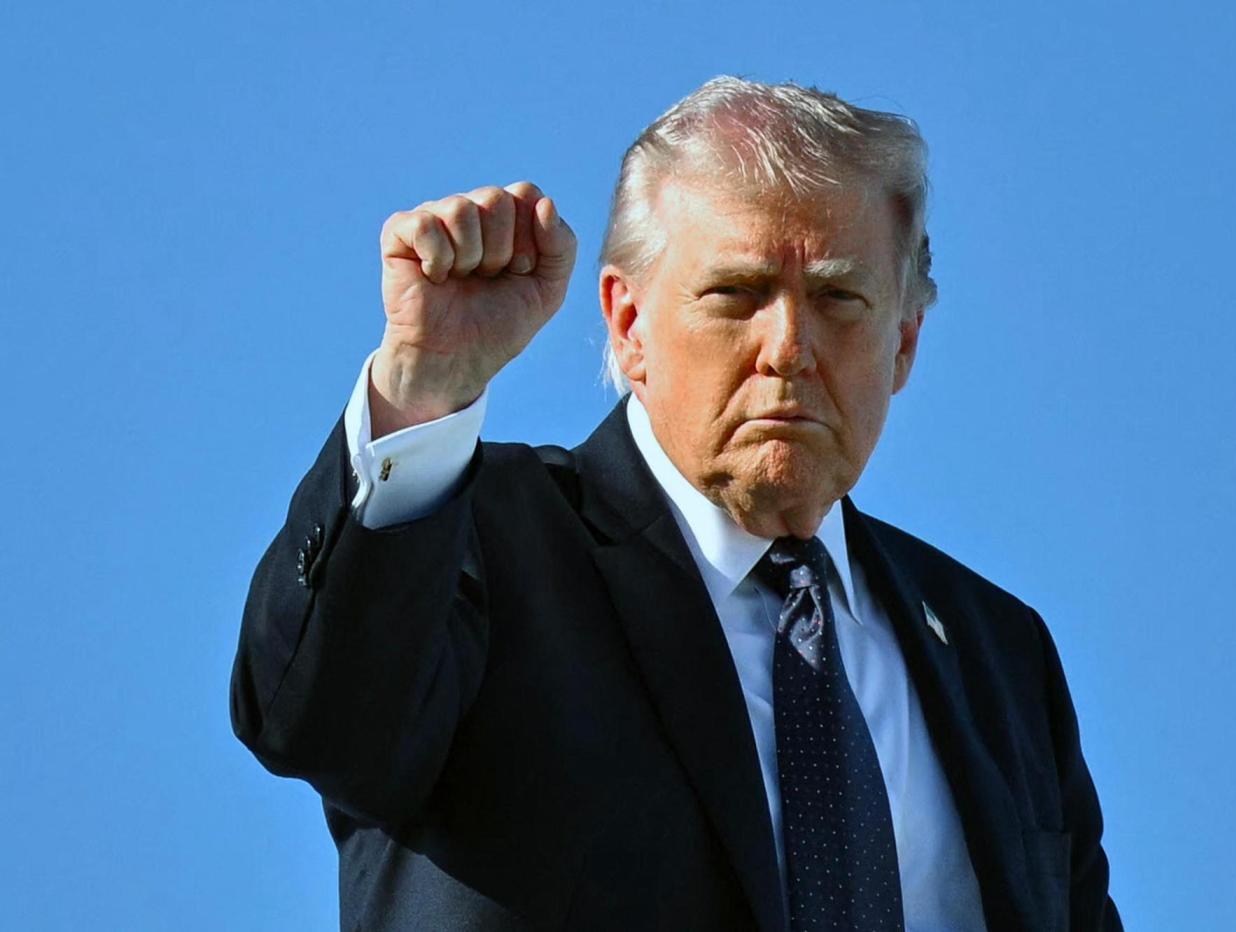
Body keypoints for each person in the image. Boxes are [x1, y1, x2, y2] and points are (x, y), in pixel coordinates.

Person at [230, 75, 1123, 932]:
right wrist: (423, 389)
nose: (788, 347)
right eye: (737, 293)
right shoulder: (473, 537)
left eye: (839, 298)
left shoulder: (999, 654)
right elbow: (322, 726)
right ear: (629, 325)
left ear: (905, 343)